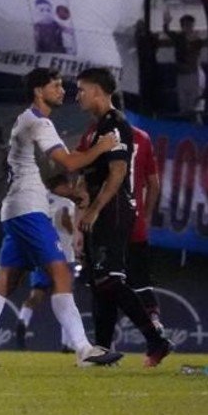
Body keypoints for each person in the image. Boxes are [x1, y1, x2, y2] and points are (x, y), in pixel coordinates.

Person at [0, 68, 122, 367]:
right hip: (28, 210)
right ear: (39, 91)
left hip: (17, 209)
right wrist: (101, 147)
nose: (63, 90)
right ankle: (83, 350)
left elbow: (48, 175)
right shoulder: (38, 123)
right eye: (56, 85)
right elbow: (71, 161)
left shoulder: (28, 122)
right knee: (60, 273)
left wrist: (71, 193)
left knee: (5, 280)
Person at [73, 68, 172, 366]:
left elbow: (117, 175)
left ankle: (156, 340)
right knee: (101, 284)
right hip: (103, 211)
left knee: (110, 280)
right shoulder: (94, 129)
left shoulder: (116, 126)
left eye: (82, 89)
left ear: (99, 92)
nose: (77, 95)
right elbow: (84, 174)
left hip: (113, 209)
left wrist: (95, 209)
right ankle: (103, 351)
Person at [16, 174, 81, 349]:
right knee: (66, 299)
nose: (70, 189)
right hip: (64, 256)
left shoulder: (38, 200)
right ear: (59, 186)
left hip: (41, 255)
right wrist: (75, 231)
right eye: (68, 185)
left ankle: (22, 320)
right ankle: (67, 344)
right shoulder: (67, 204)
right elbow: (65, 221)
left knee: (36, 295)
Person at [122, 115, 166, 335]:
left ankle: (103, 344)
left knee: (106, 282)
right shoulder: (142, 137)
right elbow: (154, 185)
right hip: (136, 220)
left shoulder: (98, 135)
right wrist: (146, 216)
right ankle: (155, 325)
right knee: (140, 277)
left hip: (110, 223)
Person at [162, 12, 206, 122]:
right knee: (183, 103)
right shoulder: (179, 38)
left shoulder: (197, 40)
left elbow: (195, 51)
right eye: (186, 25)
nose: (188, 28)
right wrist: (166, 23)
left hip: (193, 74)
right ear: (182, 26)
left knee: (194, 103)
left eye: (190, 25)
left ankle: (195, 124)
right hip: (181, 74)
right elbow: (167, 32)